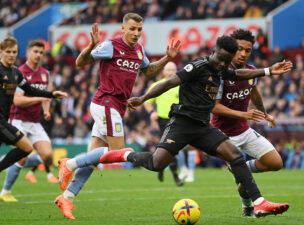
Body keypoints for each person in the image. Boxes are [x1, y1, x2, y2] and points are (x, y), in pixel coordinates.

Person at [99, 36, 292, 218]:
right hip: (182, 123)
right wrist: (142, 98)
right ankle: (125, 155)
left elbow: (238, 73)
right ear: (214, 51)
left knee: (234, 155)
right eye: (220, 59)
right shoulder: (198, 66)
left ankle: (258, 203)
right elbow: (168, 83)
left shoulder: (220, 69)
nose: (222, 65)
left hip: (202, 126)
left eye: (226, 61)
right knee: (157, 164)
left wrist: (267, 71)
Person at [55, 13, 181, 220]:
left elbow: (148, 71)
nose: (136, 33)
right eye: (132, 29)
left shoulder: (139, 50)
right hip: (105, 103)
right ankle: (68, 164)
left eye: (139, 30)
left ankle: (66, 198)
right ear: (123, 29)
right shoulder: (110, 46)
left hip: (117, 106)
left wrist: (167, 58)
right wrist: (91, 45)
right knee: (117, 152)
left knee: (93, 161)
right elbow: (80, 62)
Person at [211, 29, 289, 217]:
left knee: (276, 163)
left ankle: (243, 170)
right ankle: (248, 207)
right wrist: (243, 114)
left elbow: (252, 91)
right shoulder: (221, 73)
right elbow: (213, 107)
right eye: (239, 49)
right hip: (223, 137)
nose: (244, 53)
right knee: (245, 181)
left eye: (247, 50)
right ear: (231, 49)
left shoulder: (251, 71)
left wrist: (264, 114)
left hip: (243, 130)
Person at [0, 40, 59, 202]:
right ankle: (5, 191)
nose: (12, 55)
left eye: (14, 52)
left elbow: (32, 90)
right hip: (16, 119)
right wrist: (42, 97)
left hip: (31, 121)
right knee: (24, 150)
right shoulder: (19, 70)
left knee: (44, 154)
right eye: (8, 52)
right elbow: (18, 101)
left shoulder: (17, 73)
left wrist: (51, 97)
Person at [143, 61, 183, 186]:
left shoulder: (181, 85)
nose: (171, 72)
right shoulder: (157, 85)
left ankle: (161, 167)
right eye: (168, 69)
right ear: (163, 71)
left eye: (173, 69)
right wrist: (151, 114)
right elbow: (147, 101)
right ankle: (175, 175)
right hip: (162, 120)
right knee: (168, 148)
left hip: (177, 120)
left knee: (171, 148)